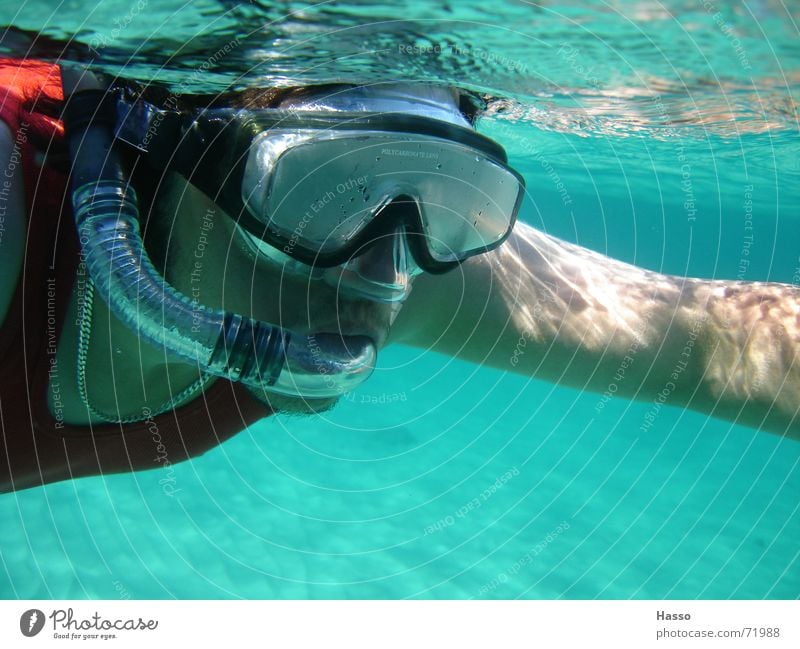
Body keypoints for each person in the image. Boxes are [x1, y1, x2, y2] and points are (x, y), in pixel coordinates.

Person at [1, 60, 797, 493]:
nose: (383, 276)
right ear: (165, 151)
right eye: (323, 188)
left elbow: (709, 335)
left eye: (451, 199)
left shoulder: (376, 266)